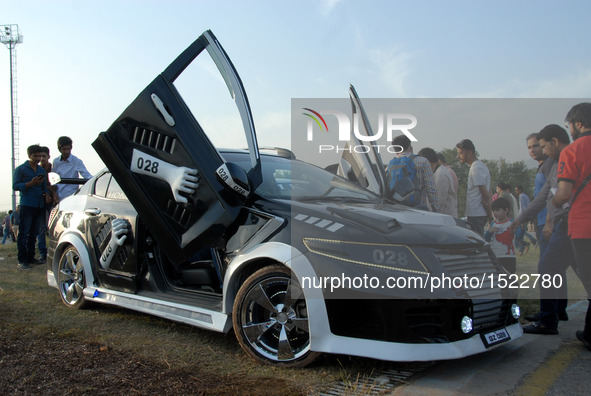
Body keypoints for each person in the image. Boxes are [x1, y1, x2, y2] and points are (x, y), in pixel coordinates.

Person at [511, 125, 573, 335]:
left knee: (548, 268)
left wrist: (548, 220)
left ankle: (548, 319)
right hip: (567, 223)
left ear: (554, 142)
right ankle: (555, 313)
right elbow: (544, 196)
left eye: (542, 146)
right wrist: (520, 219)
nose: (541, 151)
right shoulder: (554, 163)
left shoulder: (562, 161)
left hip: (564, 224)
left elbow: (555, 196)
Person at [553, 103, 591, 351]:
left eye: (570, 125)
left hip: (584, 225)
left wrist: (553, 199)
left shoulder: (572, 151)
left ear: (578, 124)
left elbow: (564, 194)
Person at [12, 144, 50, 270]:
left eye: (40, 156)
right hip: (27, 204)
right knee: (24, 233)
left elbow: (44, 186)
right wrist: (30, 184)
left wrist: (46, 194)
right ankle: (22, 260)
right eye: (35, 156)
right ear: (29, 155)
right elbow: (15, 186)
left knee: (34, 232)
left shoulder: (41, 170)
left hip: (39, 204)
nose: (38, 158)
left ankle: (31, 257)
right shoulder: (21, 169)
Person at [387, 135, 439, 212]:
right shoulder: (422, 161)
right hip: (418, 208)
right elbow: (431, 188)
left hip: (397, 209)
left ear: (396, 151)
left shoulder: (390, 165)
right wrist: (435, 209)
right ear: (409, 146)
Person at [456, 139, 492, 235]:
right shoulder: (477, 166)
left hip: (477, 214)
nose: (458, 156)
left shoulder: (476, 168)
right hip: (476, 213)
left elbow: (485, 194)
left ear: (469, 152)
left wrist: (490, 216)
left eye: (461, 153)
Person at [526, 132, 555, 257]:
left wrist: (549, 221)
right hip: (541, 221)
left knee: (549, 266)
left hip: (547, 222)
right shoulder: (542, 166)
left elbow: (554, 193)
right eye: (529, 147)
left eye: (535, 146)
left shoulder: (549, 165)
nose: (532, 150)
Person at [418, 147, 457, 217]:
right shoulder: (436, 172)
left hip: (445, 218)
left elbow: (438, 203)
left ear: (428, 163)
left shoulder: (441, 175)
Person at [52, 136, 92, 201]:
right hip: (58, 195)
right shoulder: (56, 161)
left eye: (68, 149)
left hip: (71, 195)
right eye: (64, 149)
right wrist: (54, 194)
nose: (67, 151)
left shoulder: (76, 161)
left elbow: (86, 175)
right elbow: (53, 179)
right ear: (59, 149)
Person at [484, 197, 516, 274]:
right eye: (493, 210)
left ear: (506, 210)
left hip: (508, 257)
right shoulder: (493, 224)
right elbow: (485, 239)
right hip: (495, 256)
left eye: (497, 210)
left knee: (509, 278)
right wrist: (489, 232)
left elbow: (518, 234)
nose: (495, 213)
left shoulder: (512, 223)